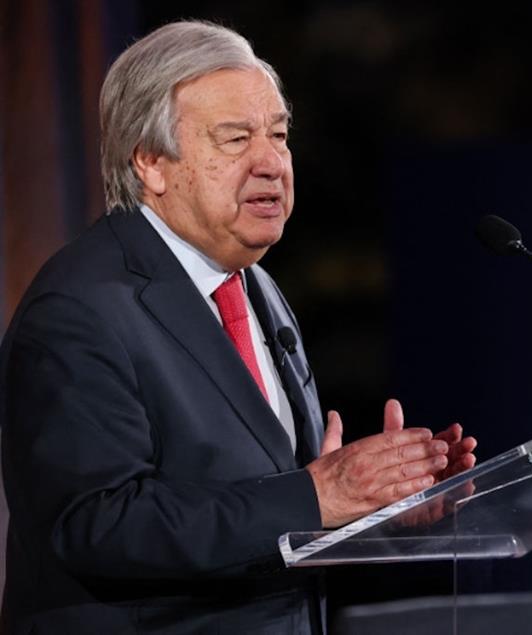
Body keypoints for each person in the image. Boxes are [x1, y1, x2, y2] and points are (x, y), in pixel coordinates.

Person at [0, 20, 476, 635]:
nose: (271, 163)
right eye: (235, 138)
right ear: (151, 162)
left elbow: (261, 508)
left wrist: (375, 507)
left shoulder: (254, 287)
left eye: (279, 135)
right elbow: (95, 522)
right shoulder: (79, 308)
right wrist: (315, 495)